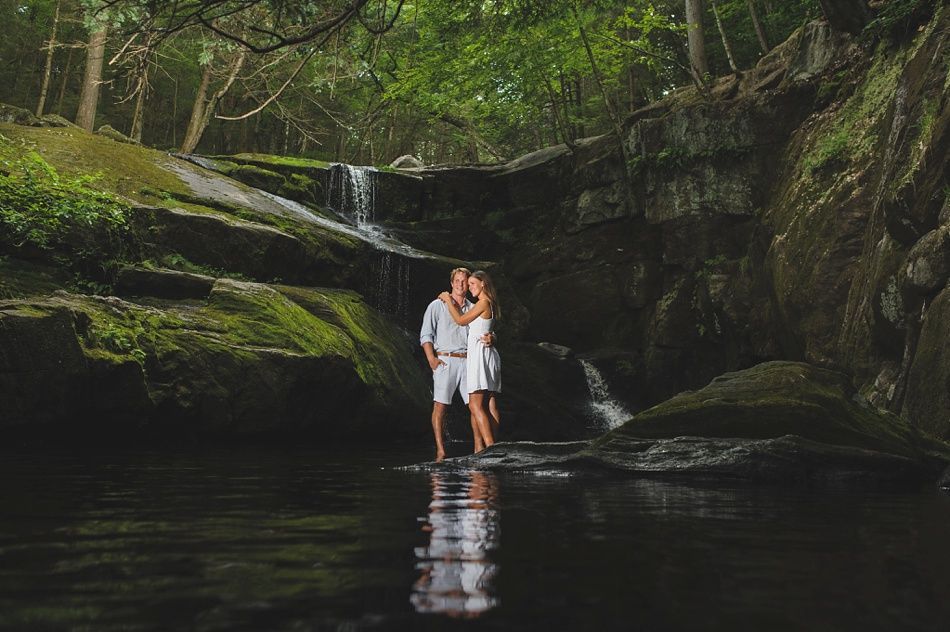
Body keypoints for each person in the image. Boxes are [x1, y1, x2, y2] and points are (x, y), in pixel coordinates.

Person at [420, 267, 494, 461]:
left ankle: (479, 448)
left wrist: (493, 337)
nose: (461, 284)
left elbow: (485, 327)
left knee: (474, 406)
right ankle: (440, 450)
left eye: (465, 281)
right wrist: (431, 359)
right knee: (440, 406)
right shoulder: (436, 306)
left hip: (469, 361)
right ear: (451, 283)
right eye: (458, 281)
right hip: (445, 361)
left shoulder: (473, 306)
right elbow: (426, 335)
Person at [439, 270, 501, 450]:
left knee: (475, 404)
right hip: (486, 354)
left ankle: (489, 446)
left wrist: (447, 299)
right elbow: (486, 327)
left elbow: (460, 320)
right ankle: (487, 447)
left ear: (483, 284)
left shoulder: (482, 303)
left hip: (481, 355)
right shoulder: (486, 303)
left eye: (472, 283)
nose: (468, 287)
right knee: (489, 403)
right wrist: (493, 337)